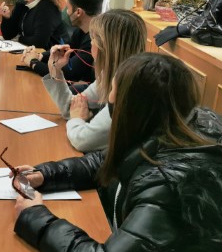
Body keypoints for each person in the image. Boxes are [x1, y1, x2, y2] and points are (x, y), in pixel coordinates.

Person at [12, 53, 222, 252]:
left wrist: (35, 217)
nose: (108, 101)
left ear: (132, 107)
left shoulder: (172, 182)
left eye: (114, 94)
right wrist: (45, 174)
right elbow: (106, 161)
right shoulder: (178, 122)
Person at [43, 9, 146, 152]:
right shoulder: (110, 74)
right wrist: (56, 70)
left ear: (107, 46)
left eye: (94, 38)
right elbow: (71, 108)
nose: (91, 42)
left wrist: (77, 118)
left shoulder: (129, 86)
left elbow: (83, 140)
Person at [20, 0, 102, 91]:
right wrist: (40, 56)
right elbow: (66, 50)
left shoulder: (95, 39)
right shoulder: (81, 31)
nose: (66, 12)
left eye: (68, 8)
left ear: (78, 12)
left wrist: (33, 62)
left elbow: (68, 74)